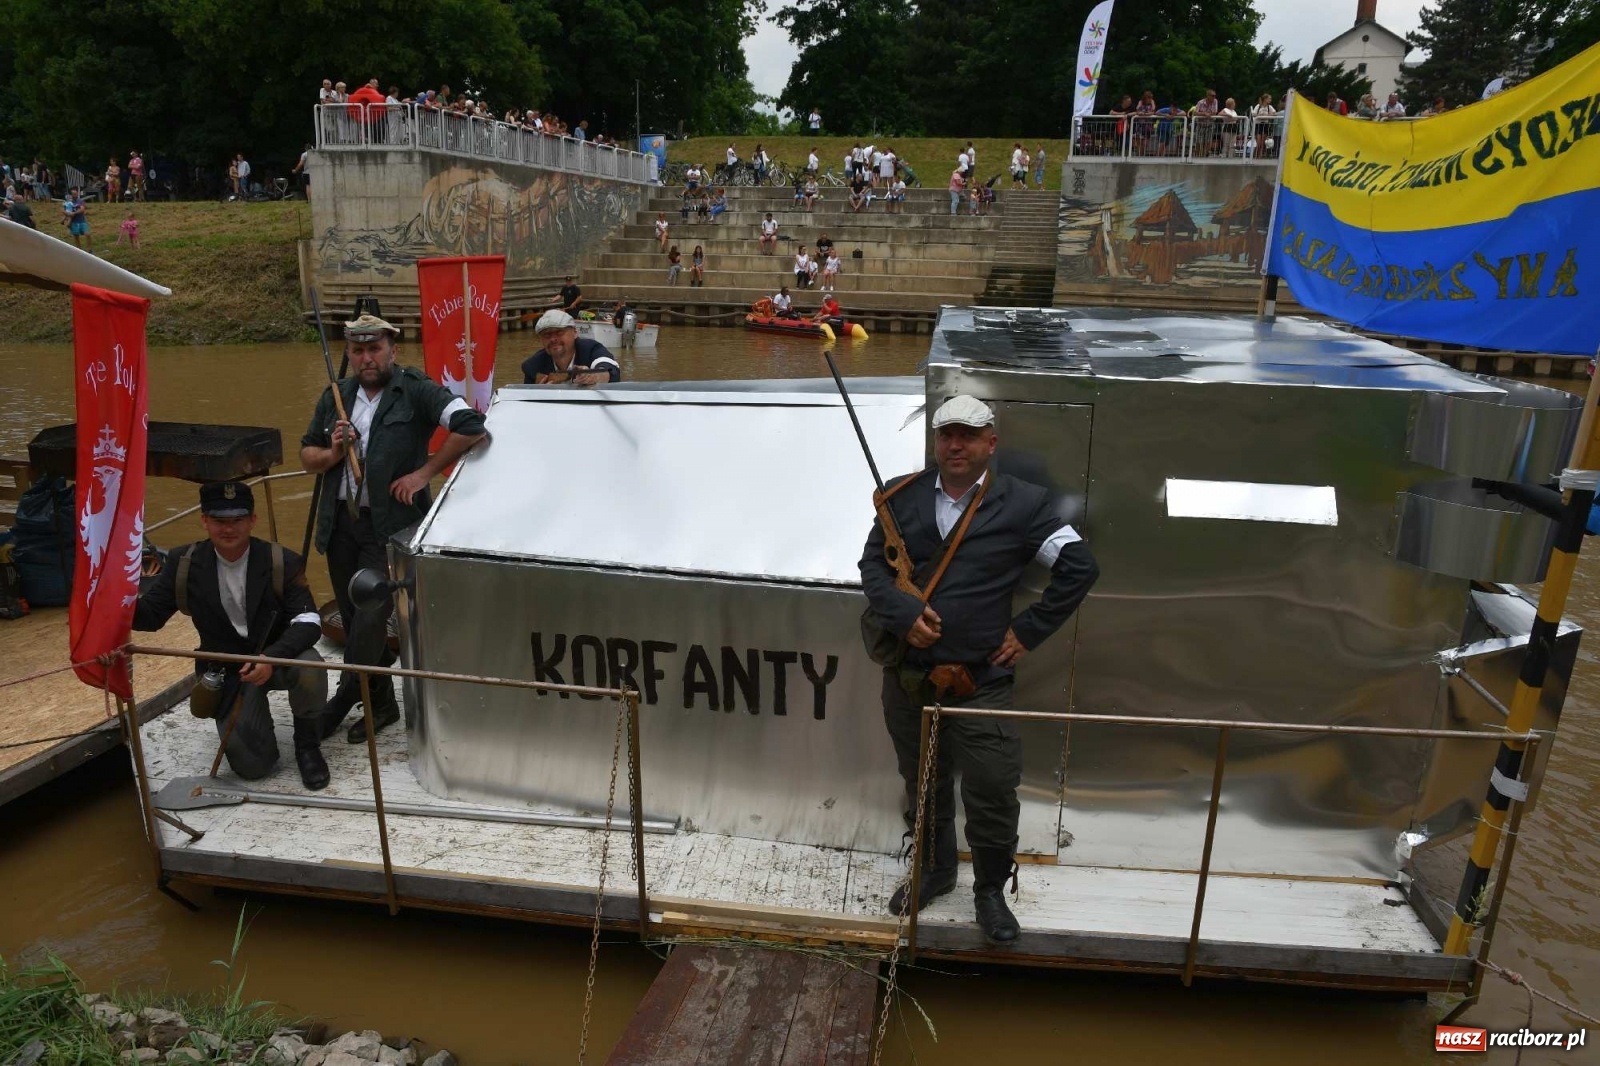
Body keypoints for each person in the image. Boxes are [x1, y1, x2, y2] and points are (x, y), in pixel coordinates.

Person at [859, 395, 1098, 943]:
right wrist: (904, 615)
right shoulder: (902, 496)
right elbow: (874, 565)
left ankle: (990, 890)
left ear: (991, 442)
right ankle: (935, 870)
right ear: (936, 442)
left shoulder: (1024, 505)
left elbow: (1079, 566)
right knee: (922, 780)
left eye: (969, 435)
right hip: (908, 676)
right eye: (947, 435)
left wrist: (1031, 631)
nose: (956, 445)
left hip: (980, 684)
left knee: (992, 789)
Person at [300, 314, 488, 744]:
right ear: (349, 353)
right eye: (358, 350)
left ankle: (344, 697)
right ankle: (381, 704)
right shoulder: (337, 396)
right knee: (352, 620)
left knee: (369, 619)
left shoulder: (415, 389)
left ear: (392, 349)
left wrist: (424, 473)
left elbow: (471, 426)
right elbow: (306, 456)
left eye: (375, 349)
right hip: (341, 525)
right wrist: (333, 452)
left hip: (389, 530)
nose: (366, 358)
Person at [134, 481, 332, 788]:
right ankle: (253, 727)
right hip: (226, 671)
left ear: (252, 520)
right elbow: (150, 617)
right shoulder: (182, 563)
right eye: (219, 521)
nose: (229, 529)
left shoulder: (283, 561)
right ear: (204, 520)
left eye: (237, 520)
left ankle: (308, 745)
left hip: (276, 658)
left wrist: (270, 658)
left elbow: (308, 622)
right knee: (254, 767)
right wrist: (110, 607)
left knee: (311, 667)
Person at [521, 309, 621, 386]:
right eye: (547, 335)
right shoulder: (532, 366)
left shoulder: (591, 349)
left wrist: (593, 376)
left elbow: (610, 370)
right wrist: (538, 393)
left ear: (575, 333)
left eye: (559, 332)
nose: (553, 339)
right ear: (541, 340)